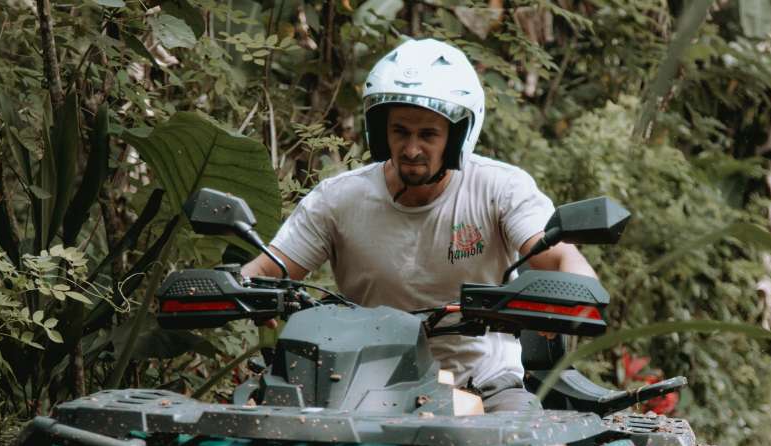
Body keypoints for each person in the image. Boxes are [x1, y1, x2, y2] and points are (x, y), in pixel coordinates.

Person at [241, 38, 596, 412]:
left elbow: (559, 260)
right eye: (400, 132)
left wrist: (574, 295)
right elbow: (267, 271)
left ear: (457, 136)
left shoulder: (498, 189)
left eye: (427, 135)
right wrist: (234, 291)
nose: (411, 149)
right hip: (354, 389)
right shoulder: (339, 198)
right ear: (381, 132)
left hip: (483, 387)